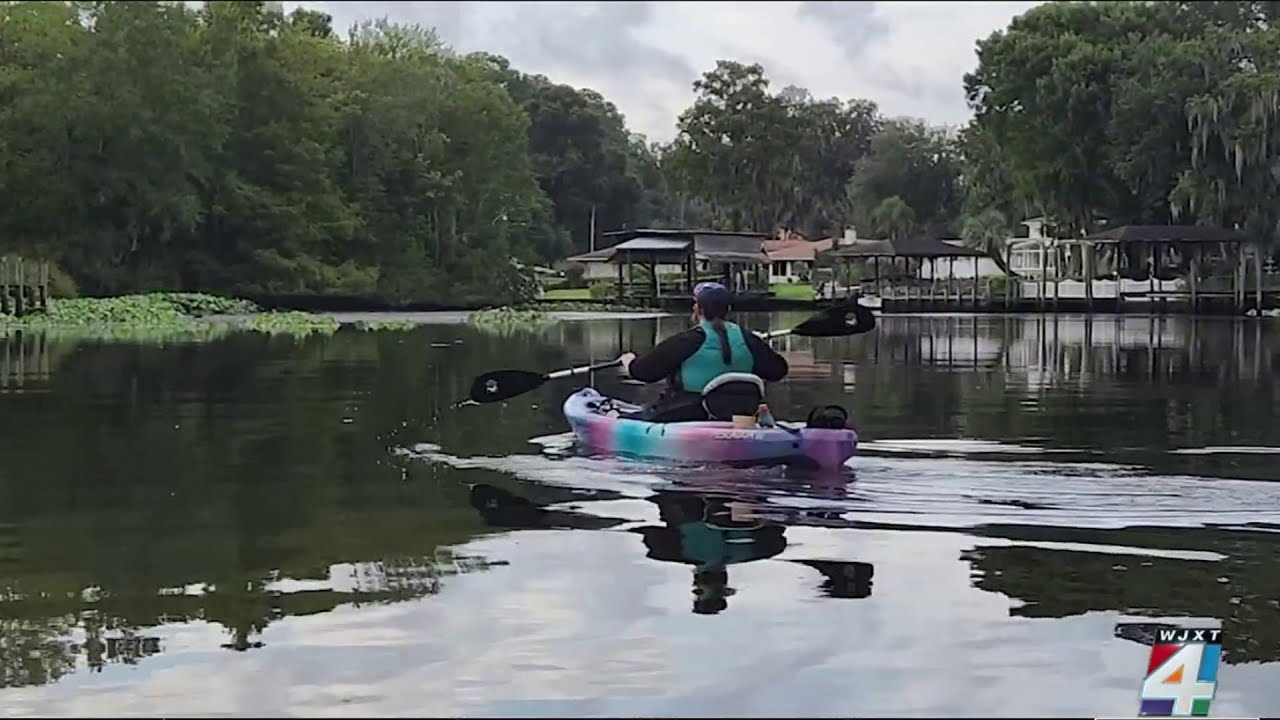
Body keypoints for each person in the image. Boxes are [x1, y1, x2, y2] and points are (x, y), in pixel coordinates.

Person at [617, 281, 788, 422]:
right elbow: (778, 371)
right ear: (728, 310)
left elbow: (643, 372)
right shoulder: (748, 339)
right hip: (739, 416)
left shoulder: (687, 340)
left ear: (697, 309)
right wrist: (757, 345)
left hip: (685, 415)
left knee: (620, 417)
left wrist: (629, 361)